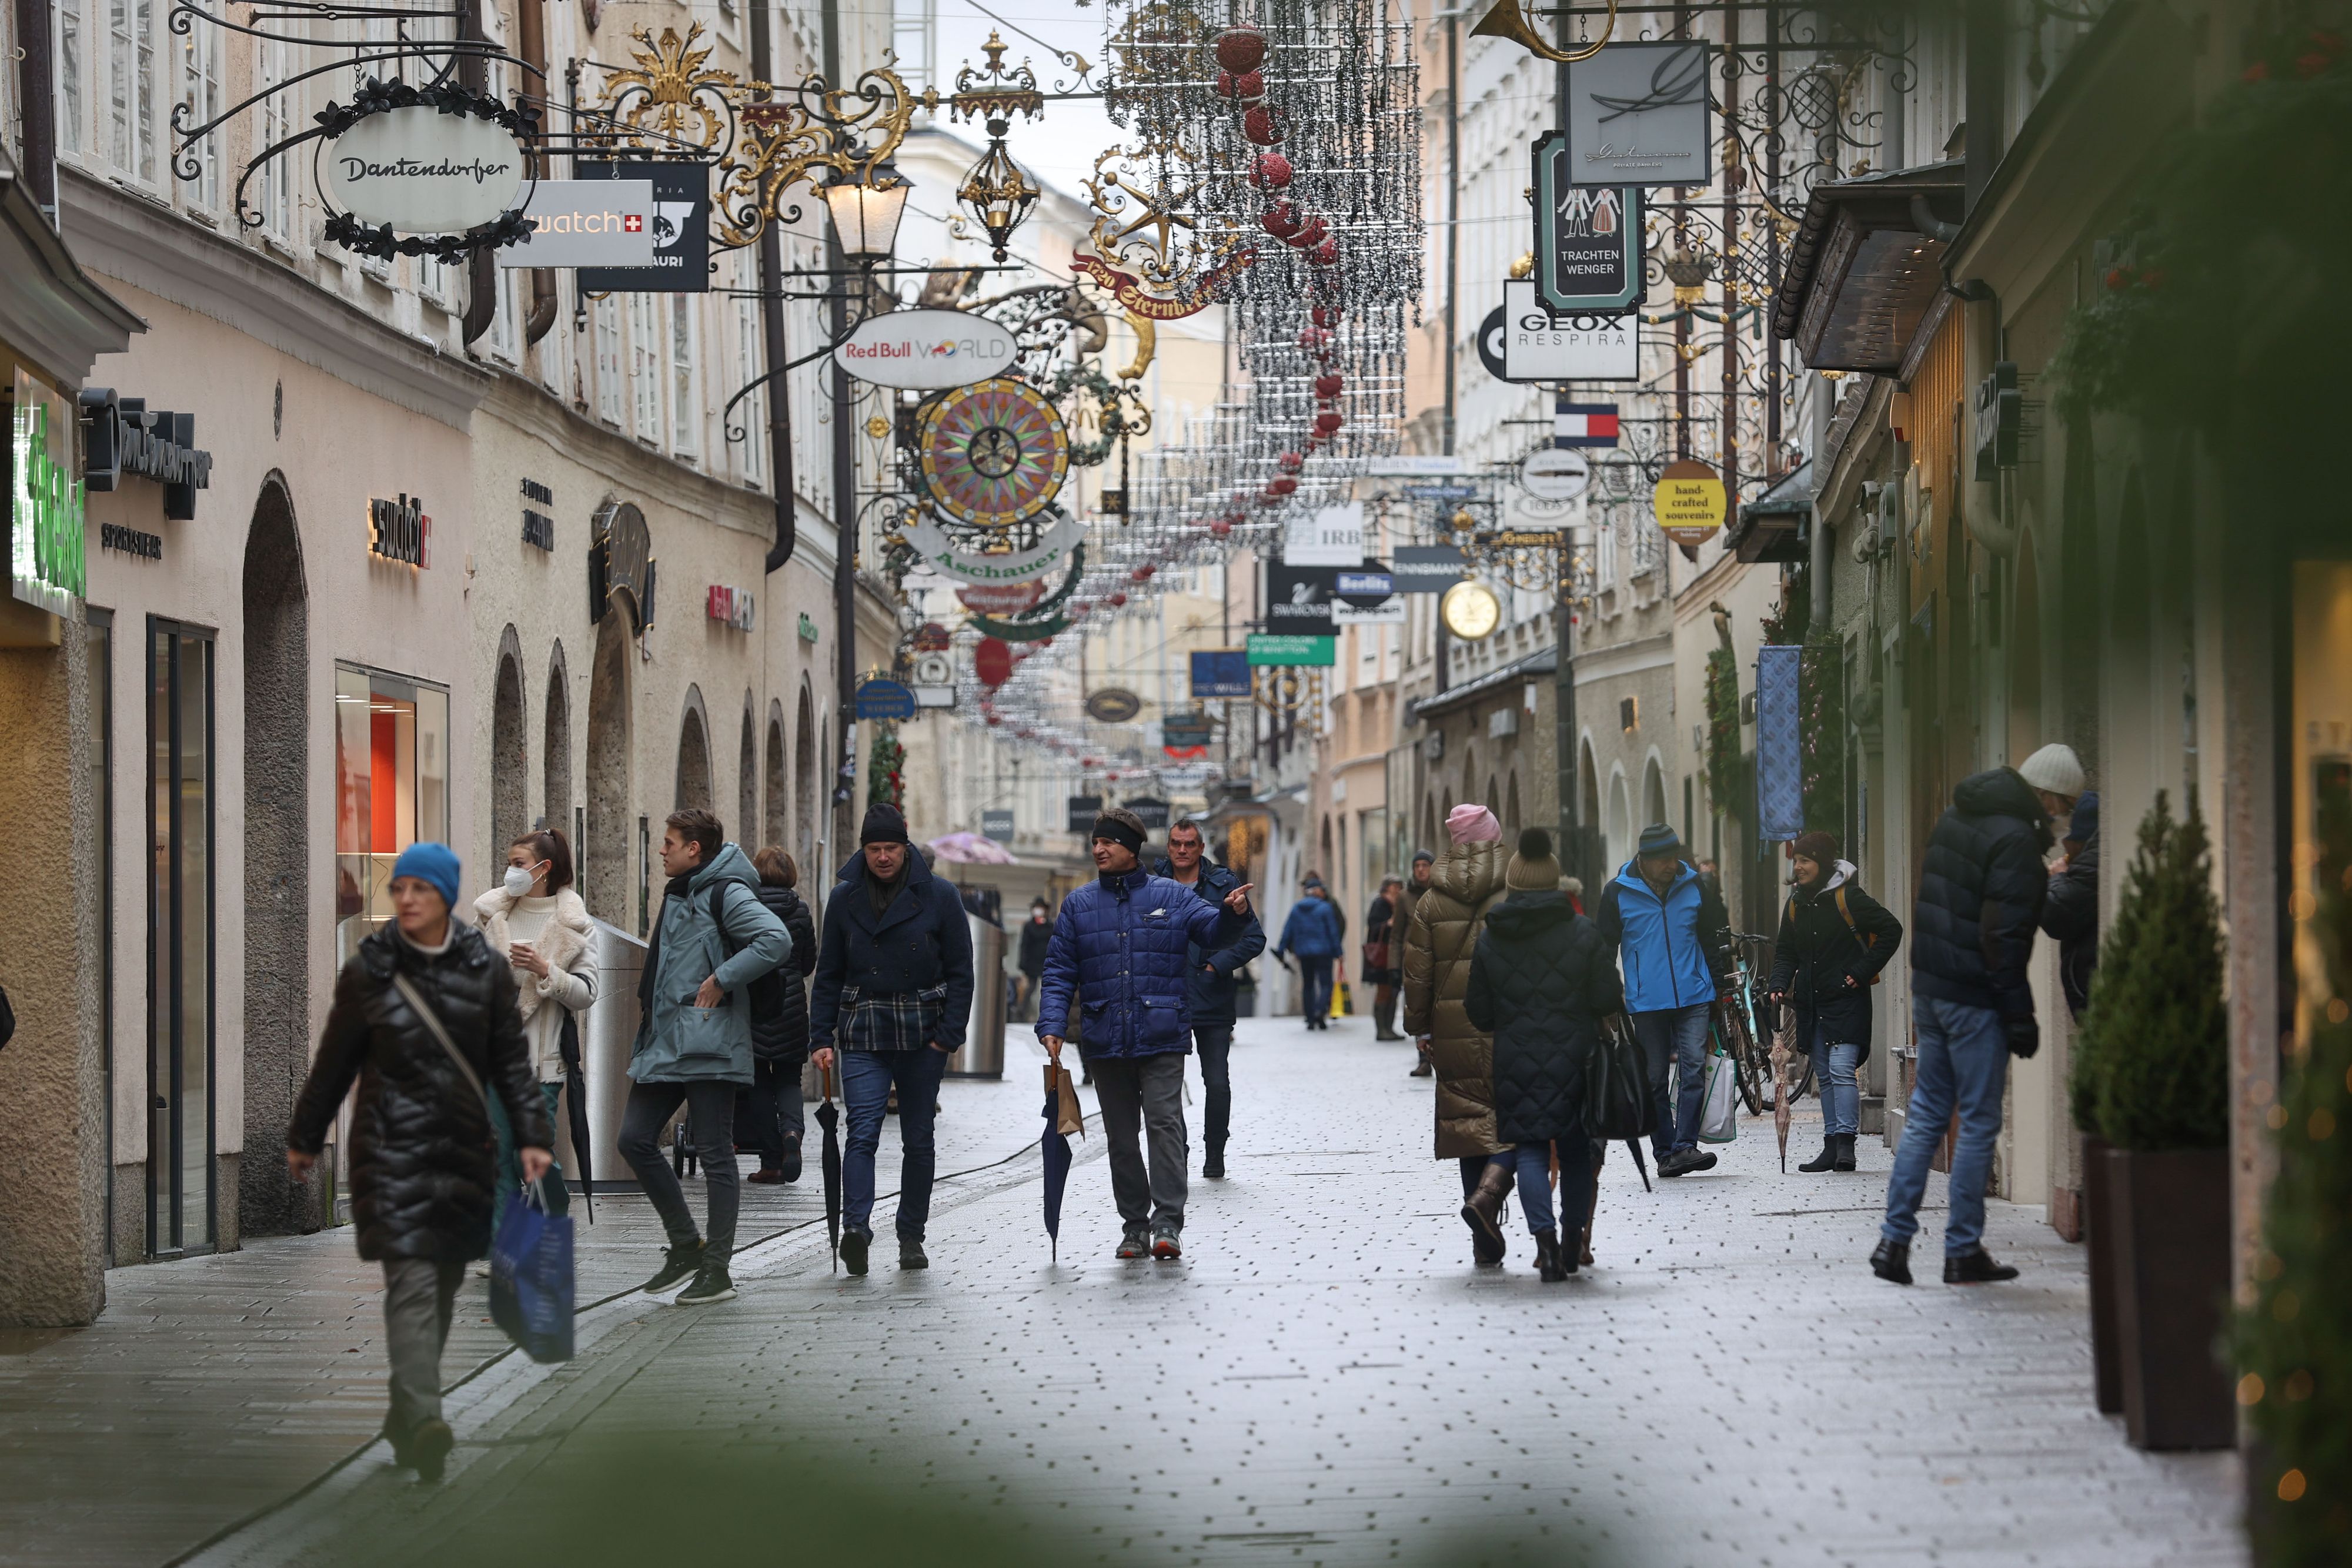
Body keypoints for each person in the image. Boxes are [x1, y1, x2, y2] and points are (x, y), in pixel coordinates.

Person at [286, 842, 553, 1482]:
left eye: (419, 890)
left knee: (441, 1284)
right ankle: (430, 1416)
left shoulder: (483, 970)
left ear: (446, 897)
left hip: (464, 1150)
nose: (405, 899)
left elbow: (510, 1061)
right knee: (411, 1282)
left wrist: (531, 1134)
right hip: (389, 1149)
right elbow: (335, 1060)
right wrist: (306, 1135)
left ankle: (407, 1416)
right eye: (399, 888)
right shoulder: (370, 969)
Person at [1874, 743, 2076, 1287]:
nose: (2059, 819)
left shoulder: (1957, 817)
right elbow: (2003, 937)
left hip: (1932, 988)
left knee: (1926, 1114)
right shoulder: (2013, 838)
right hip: (1974, 998)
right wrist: (2020, 1014)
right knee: (1981, 1120)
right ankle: (1962, 1250)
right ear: (2045, 794)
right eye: (2060, 807)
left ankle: (1894, 1242)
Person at [1038, 807, 1255, 1259]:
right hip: (1105, 1036)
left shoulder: (1171, 896)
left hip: (1161, 1032)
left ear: (1131, 849)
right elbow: (1059, 970)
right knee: (1120, 1135)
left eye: (1109, 842)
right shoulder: (1078, 905)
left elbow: (1213, 930)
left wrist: (1234, 914)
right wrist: (1053, 1024)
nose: (1098, 848)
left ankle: (1167, 1222)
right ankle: (1134, 1225)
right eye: (1096, 841)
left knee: (1164, 1124)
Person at [618, 809, 790, 1306]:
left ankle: (717, 1268)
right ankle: (684, 1244)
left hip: (711, 1040)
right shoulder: (680, 892)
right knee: (634, 1138)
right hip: (668, 1038)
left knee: (715, 1152)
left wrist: (721, 979)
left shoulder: (725, 890)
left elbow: (775, 940)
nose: (662, 849)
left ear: (695, 848)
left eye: (669, 842)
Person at [808, 804, 976, 1276]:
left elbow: (963, 972)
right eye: (874, 848)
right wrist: (820, 1035)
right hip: (863, 1028)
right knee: (861, 1129)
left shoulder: (940, 895)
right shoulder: (844, 899)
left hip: (923, 1033)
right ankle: (856, 1229)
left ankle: (910, 1235)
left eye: (891, 848)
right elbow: (829, 973)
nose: (883, 857)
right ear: (863, 850)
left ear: (906, 848)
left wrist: (948, 1036)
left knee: (918, 1138)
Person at [1463, 830, 1623, 1282]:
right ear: (1554, 881)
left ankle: (1546, 1247)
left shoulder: (1493, 938)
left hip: (1515, 1060)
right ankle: (1574, 1240)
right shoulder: (1582, 932)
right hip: (1577, 1057)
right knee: (1574, 1151)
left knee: (1531, 1151)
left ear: (1514, 882)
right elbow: (1608, 995)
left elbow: (1478, 1011)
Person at [472, 827, 597, 1261]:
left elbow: (587, 992)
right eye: (509, 862)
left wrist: (546, 970)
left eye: (519, 863)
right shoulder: (492, 917)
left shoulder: (574, 925)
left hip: (541, 1063)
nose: (511, 871)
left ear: (544, 869)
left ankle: (555, 1212)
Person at [1401, 804, 1513, 1266]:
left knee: (1468, 1123)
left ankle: (1482, 1235)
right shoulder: (1515, 890)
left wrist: (1420, 1028)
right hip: (1510, 1025)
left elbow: (1417, 973)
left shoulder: (1430, 902)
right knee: (1515, 1117)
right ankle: (1491, 1199)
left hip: (1452, 1028)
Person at [1595, 824, 1734, 1178]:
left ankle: (1685, 1146)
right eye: (1665, 860)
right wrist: (1607, 1000)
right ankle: (1664, 1153)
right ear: (1644, 860)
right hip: (1647, 1001)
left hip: (1695, 995)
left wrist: (1717, 987)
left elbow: (1709, 940)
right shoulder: (1617, 893)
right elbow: (1604, 951)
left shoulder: (1694, 886)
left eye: (1675, 857)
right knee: (1654, 1079)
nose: (1673, 865)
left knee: (1692, 1071)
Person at [1768, 831, 1903, 1175]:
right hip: (1812, 1003)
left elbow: (1891, 929)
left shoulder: (1849, 898)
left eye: (1806, 861)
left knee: (1843, 1071)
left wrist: (1861, 971)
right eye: (1796, 861)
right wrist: (1778, 983)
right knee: (1826, 1075)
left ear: (1823, 863)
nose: (1798, 868)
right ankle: (1830, 1147)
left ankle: (1846, 1146)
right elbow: (1786, 951)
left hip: (1846, 999)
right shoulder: (1796, 904)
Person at [1152, 818, 1266, 1179]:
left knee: (1216, 1081)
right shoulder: (1152, 885)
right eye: (1176, 844)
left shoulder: (1224, 884)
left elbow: (1253, 939)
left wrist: (1216, 965)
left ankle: (1215, 1150)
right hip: (1165, 999)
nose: (1182, 850)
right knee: (1166, 1085)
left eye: (1189, 844)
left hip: (1212, 999)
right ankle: (1178, 1151)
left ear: (1201, 848)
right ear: (1168, 848)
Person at [740, 847, 818, 1185]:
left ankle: (771, 1161)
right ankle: (792, 1135)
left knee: (757, 1081)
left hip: (754, 1005)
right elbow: (808, 964)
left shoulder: (746, 908)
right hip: (791, 1009)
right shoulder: (800, 911)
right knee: (789, 1079)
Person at [2039, 790, 2100, 1019]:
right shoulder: (2088, 862)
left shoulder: (2089, 866)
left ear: (2081, 840)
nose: (2063, 844)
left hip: (2091, 991)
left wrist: (2057, 879)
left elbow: (2056, 916)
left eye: (2069, 838)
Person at [1275, 876, 1345, 1028]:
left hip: (1304, 952)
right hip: (1324, 952)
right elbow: (1333, 932)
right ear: (1317, 891)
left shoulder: (1296, 908)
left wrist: (1281, 949)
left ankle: (1310, 1018)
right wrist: (1339, 951)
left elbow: (1288, 931)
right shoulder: (1325, 908)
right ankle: (1320, 1010)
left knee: (1308, 984)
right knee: (1326, 983)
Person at [1398, 851, 1438, 1074]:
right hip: (1413, 960)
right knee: (1417, 1006)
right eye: (1417, 866)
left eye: (1425, 865)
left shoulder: (1441, 892)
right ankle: (1423, 1059)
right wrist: (1394, 966)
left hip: (1437, 957)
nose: (1421, 869)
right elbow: (1396, 936)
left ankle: (1437, 1055)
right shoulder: (1404, 897)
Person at [1365, 876, 1407, 1041]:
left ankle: (1389, 1028)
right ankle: (1381, 1029)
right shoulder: (1381, 903)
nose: (1397, 889)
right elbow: (1373, 926)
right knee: (1384, 991)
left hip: (1395, 954)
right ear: (1387, 888)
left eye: (1399, 886)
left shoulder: (1399, 903)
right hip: (1382, 955)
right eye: (1394, 886)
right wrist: (1388, 924)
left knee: (1394, 991)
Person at [1015, 898, 1053, 1022]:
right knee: (1030, 989)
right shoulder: (1029, 926)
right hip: (1032, 963)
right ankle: (1022, 1013)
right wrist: (1022, 963)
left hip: (1047, 962)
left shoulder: (1051, 926)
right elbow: (1024, 945)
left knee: (1047, 990)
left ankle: (1047, 1016)